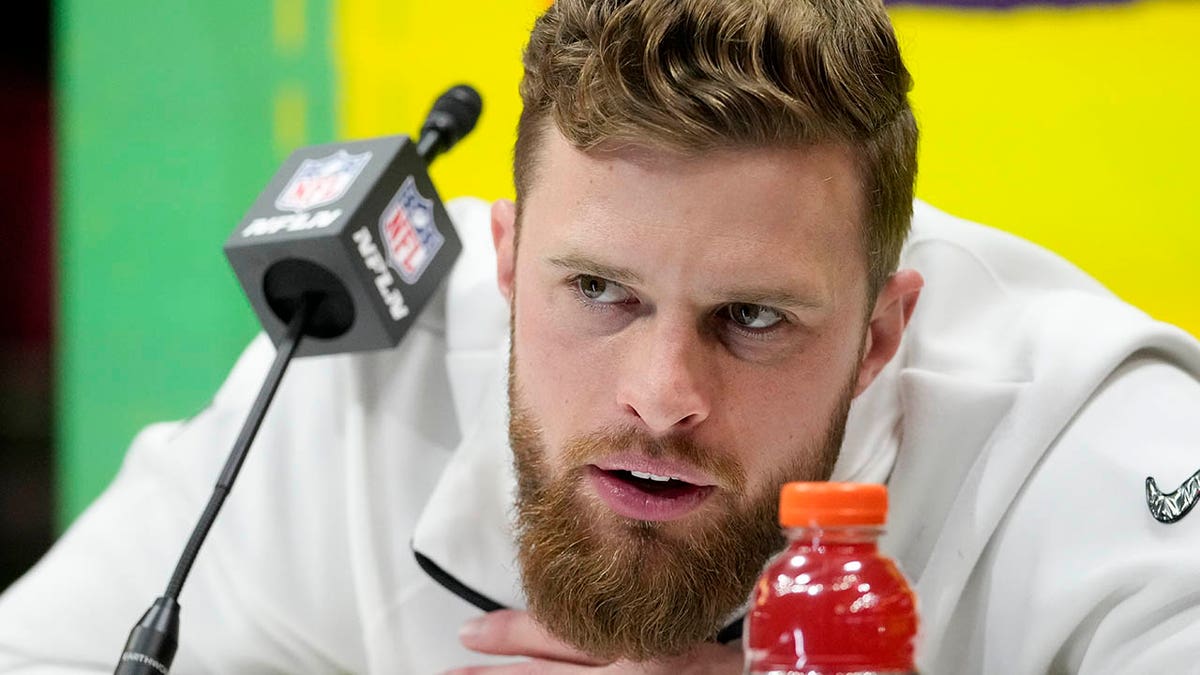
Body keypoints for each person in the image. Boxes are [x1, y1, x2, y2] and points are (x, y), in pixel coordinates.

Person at [3, 0, 1200, 672]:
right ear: (510, 261)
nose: (661, 396)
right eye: (599, 294)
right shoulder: (358, 385)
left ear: (883, 334)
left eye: (754, 320)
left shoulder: (1093, 448)